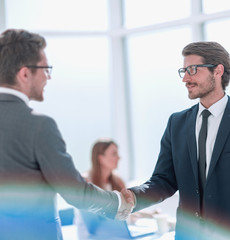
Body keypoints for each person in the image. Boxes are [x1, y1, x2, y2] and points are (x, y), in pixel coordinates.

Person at [125, 41, 230, 240]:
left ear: (218, 71)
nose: (185, 79)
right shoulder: (177, 123)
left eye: (192, 70)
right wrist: (134, 196)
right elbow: (164, 180)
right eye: (184, 71)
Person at [0, 29, 133, 240]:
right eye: (45, 68)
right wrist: (120, 202)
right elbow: (75, 192)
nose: (48, 76)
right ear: (25, 74)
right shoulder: (39, 125)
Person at [75, 138, 159, 239]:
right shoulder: (85, 181)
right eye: (114, 154)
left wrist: (151, 214)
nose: (119, 157)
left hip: (113, 234)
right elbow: (96, 219)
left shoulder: (117, 181)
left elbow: (127, 209)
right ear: (101, 158)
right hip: (92, 235)